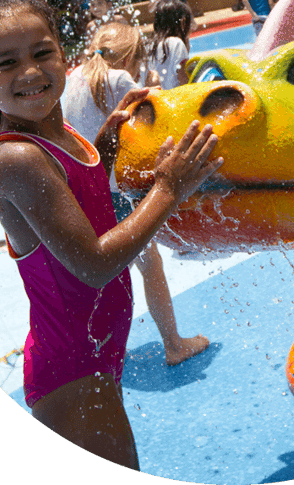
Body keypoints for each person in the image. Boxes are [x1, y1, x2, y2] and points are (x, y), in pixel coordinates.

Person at [0, 0, 223, 469]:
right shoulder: (16, 157)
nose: (31, 72)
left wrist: (109, 137)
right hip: (72, 369)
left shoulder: (60, 135)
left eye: (42, 53)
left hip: (94, 352)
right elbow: (94, 264)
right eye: (6, 63)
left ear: (64, 54)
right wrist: (169, 187)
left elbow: (82, 191)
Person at [62, 20, 210, 365]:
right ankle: (173, 344)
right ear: (129, 57)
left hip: (87, 191)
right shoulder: (119, 80)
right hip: (120, 192)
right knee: (150, 265)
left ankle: (91, 347)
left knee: (99, 275)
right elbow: (154, 122)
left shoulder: (73, 78)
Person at [146, 0, 193, 89]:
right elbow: (185, 82)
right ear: (182, 21)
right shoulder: (176, 43)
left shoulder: (148, 45)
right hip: (173, 99)